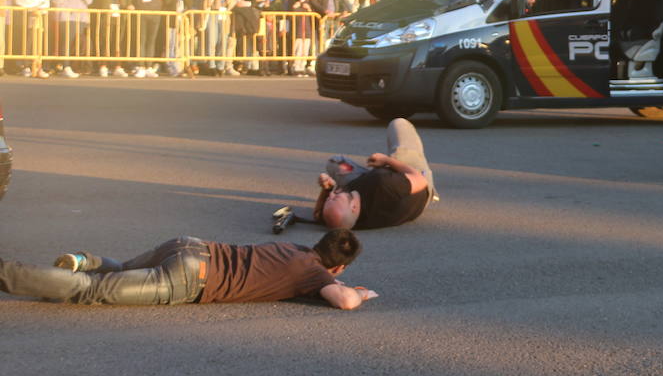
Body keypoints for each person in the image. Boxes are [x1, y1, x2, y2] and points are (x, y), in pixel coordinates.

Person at [0, 229, 373, 310]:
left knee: (123, 270)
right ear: (337, 267)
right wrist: (355, 292)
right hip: (190, 278)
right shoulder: (315, 274)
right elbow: (343, 301)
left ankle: (87, 259)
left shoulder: (294, 247)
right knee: (90, 291)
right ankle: (7, 273)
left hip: (188, 246)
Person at [284, 118, 437, 231]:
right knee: (398, 124)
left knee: (335, 162)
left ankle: (378, 169)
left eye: (329, 200)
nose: (331, 195)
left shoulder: (342, 220)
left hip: (378, 183)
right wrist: (386, 160)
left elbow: (318, 215)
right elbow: (420, 180)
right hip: (415, 181)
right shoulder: (383, 184)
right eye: (335, 197)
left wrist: (326, 189)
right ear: (354, 207)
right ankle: (432, 192)